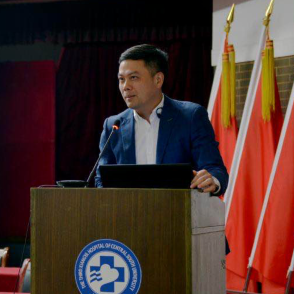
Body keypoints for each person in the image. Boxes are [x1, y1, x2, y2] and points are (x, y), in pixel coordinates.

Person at [95, 44, 228, 194]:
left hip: (180, 207)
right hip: (128, 209)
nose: (125, 86)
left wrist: (212, 180)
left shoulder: (190, 117)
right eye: (121, 79)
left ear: (158, 80)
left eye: (133, 77)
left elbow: (215, 169)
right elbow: (101, 181)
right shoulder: (113, 126)